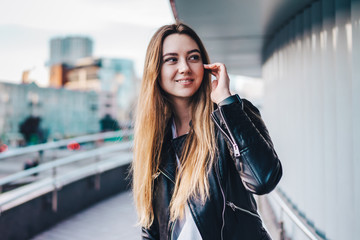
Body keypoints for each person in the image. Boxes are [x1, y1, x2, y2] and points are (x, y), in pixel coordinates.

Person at [132, 22, 282, 240]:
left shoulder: (232, 115)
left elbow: (263, 180)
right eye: (172, 59)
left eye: (193, 57)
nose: (184, 67)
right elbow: (151, 228)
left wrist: (226, 103)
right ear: (155, 69)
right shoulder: (154, 140)